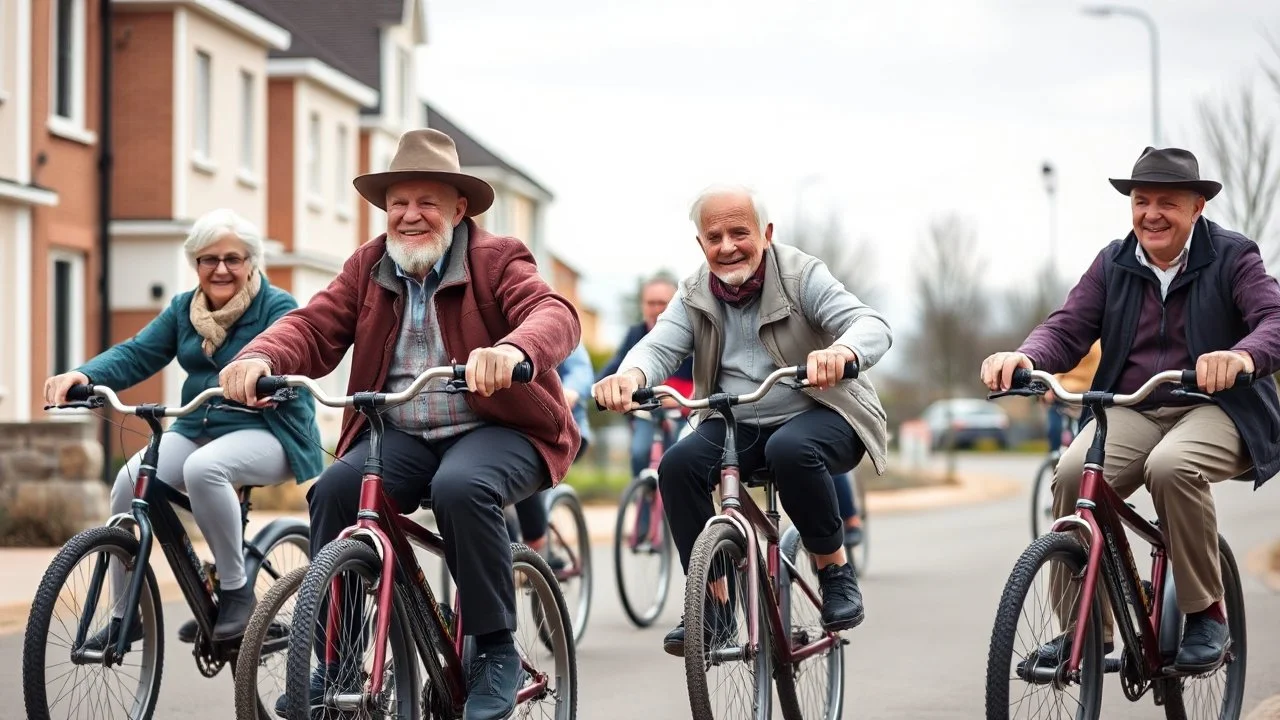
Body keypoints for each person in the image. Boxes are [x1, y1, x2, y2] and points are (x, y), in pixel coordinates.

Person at [219, 128, 581, 720]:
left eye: (426, 202)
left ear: (459, 209)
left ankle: (494, 650)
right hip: (402, 434)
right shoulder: (369, 265)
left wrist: (514, 350)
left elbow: (553, 313)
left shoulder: (498, 258)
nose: (409, 216)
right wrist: (259, 357)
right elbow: (313, 327)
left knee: (461, 488)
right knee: (336, 490)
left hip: (500, 428)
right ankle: (340, 656)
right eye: (397, 204)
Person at [981, 146, 1280, 673]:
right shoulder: (1113, 262)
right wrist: (1025, 356)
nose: (1152, 214)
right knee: (1073, 473)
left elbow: (1273, 319)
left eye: (1168, 202)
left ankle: (1206, 614)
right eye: (1142, 201)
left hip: (1219, 406)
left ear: (1197, 209)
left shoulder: (1235, 257)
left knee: (1172, 466)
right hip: (1135, 405)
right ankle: (1085, 633)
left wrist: (1241, 356)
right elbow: (1068, 326)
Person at [594, 184, 893, 656]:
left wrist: (842, 351)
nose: (727, 246)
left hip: (823, 410)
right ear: (700, 244)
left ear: (766, 233)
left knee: (790, 450)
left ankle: (834, 569)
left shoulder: (801, 275)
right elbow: (658, 347)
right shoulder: (693, 293)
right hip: (738, 420)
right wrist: (630, 375)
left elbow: (871, 324)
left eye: (739, 232)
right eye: (714, 236)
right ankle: (715, 606)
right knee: (677, 466)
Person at [42, 208, 324, 646]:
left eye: (234, 258)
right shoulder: (183, 310)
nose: (222, 269)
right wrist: (84, 376)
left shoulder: (277, 306)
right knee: (128, 482)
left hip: (271, 429)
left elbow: (293, 351)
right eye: (209, 259)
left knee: (204, 469)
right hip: (199, 424)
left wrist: (270, 378)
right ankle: (124, 614)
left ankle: (236, 593)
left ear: (252, 262)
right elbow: (137, 353)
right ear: (195, 264)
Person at [598, 274, 694, 478]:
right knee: (639, 453)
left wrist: (679, 398)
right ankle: (642, 497)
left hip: (683, 414)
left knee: (677, 456)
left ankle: (672, 506)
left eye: (663, 303)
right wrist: (601, 387)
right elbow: (615, 367)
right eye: (651, 303)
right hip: (647, 412)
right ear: (643, 306)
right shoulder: (635, 333)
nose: (656, 308)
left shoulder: (688, 333)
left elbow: (703, 377)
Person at [514, 341, 594, 565]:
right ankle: (513, 555)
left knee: (531, 481)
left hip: (565, 433)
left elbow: (581, 369)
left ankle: (539, 550)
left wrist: (570, 391)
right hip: (519, 430)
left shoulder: (555, 323)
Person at [1043, 340, 1101, 453]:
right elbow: (1057, 365)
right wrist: (1051, 387)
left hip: (1087, 393)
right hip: (1063, 391)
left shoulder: (1098, 343)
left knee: (1084, 433)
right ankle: (1054, 456)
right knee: (1054, 430)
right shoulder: (1067, 339)